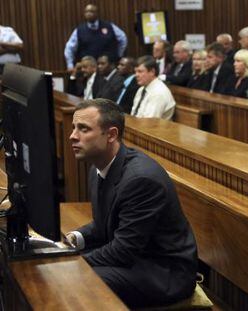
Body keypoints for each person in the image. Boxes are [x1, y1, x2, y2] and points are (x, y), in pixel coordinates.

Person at [66, 98, 197, 308]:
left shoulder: (140, 179)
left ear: (111, 135)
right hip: (136, 258)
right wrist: (74, 239)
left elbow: (123, 250)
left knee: (80, 279)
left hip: (164, 271)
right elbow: (105, 224)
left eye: (83, 129)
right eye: (74, 128)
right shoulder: (98, 167)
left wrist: (72, 263)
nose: (72, 136)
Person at [64, 4, 127, 72]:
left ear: (96, 13)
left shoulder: (109, 26)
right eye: (86, 12)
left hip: (108, 67)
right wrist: (70, 65)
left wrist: (118, 55)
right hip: (88, 69)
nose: (89, 14)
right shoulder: (79, 30)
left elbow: (123, 39)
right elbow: (69, 48)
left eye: (91, 11)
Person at [131, 55, 176, 120]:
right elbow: (133, 114)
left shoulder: (159, 93)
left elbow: (149, 123)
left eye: (140, 71)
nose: (136, 75)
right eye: (135, 72)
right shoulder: (141, 90)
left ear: (152, 72)